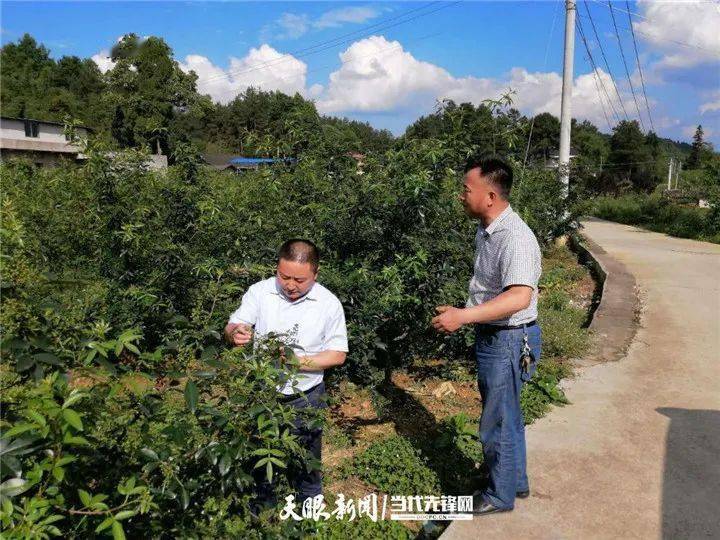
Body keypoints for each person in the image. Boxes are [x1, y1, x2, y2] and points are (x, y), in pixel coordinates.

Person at [431, 156, 542, 516]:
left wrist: (463, 316)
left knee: (497, 420)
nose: (461, 195)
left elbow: (518, 297)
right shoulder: (488, 228)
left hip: (508, 340)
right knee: (506, 415)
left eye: (466, 189)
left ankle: (499, 496)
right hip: (497, 336)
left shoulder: (515, 238)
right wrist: (468, 310)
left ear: (490, 195)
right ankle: (513, 481)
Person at [224, 238, 348, 510]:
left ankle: (310, 502)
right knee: (260, 446)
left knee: (307, 451)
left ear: (316, 273)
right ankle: (263, 503)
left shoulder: (328, 303)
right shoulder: (260, 291)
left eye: (300, 280)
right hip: (262, 389)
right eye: (284, 276)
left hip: (306, 393)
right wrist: (237, 333)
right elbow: (233, 324)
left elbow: (337, 354)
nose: (290, 285)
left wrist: (297, 362)